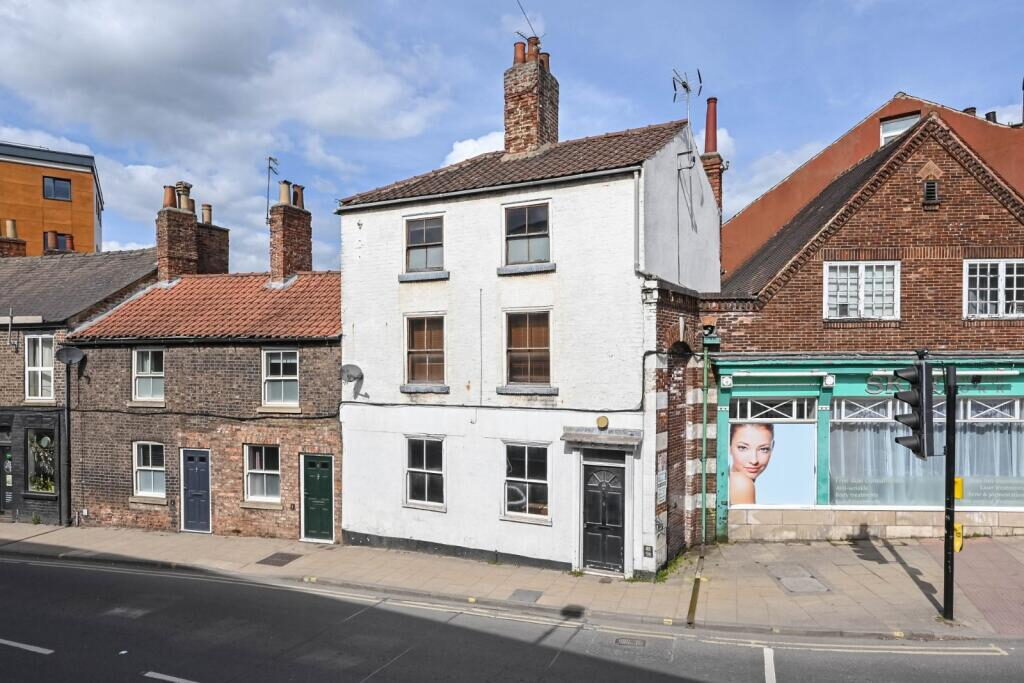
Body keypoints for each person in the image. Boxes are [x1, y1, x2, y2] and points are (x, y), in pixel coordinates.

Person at [729, 423, 774, 504]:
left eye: (763, 449)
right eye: (743, 448)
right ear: (729, 446)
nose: (754, 460)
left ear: (772, 447)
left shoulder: (728, 480)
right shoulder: (741, 483)